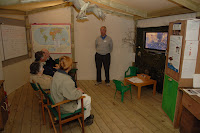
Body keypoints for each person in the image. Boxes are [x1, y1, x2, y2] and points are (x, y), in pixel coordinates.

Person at [50, 56, 94, 126]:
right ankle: (85, 119)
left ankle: (87, 115)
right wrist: (79, 91)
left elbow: (65, 90)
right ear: (70, 67)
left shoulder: (56, 74)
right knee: (87, 98)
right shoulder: (66, 80)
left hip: (56, 102)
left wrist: (75, 90)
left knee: (84, 96)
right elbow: (73, 96)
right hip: (63, 107)